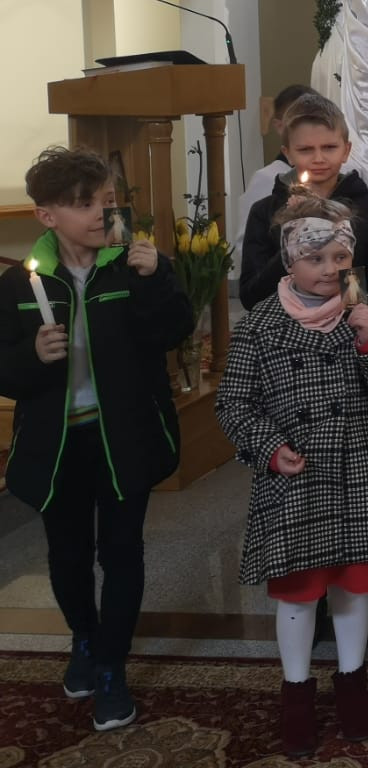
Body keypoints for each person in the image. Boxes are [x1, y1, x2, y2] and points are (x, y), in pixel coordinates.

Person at [215, 195, 368, 757]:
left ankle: (353, 684)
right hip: (297, 478)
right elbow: (234, 403)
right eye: (317, 259)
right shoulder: (261, 325)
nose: (331, 269)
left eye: (340, 257)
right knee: (299, 594)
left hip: (358, 471)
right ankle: (296, 693)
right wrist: (270, 448)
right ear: (290, 262)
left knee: (355, 587)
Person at [0, 147, 192, 732]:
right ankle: (84, 636)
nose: (99, 214)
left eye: (105, 202)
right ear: (47, 215)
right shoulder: (19, 283)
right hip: (58, 444)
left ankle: (111, 664)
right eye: (82, 205)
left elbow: (175, 330)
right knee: (67, 553)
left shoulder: (132, 266)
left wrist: (156, 278)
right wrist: (32, 357)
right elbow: (3, 369)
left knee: (122, 550)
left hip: (125, 436)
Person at [240, 94, 368, 310]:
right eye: (305, 149)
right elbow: (251, 297)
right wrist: (293, 241)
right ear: (288, 154)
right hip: (285, 325)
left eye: (329, 147)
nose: (318, 158)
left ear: (346, 150)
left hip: (350, 324)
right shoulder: (264, 211)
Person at [242, 85, 321, 215]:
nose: (309, 128)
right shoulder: (265, 179)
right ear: (280, 126)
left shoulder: (337, 173)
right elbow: (248, 226)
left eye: (317, 120)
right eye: (298, 121)